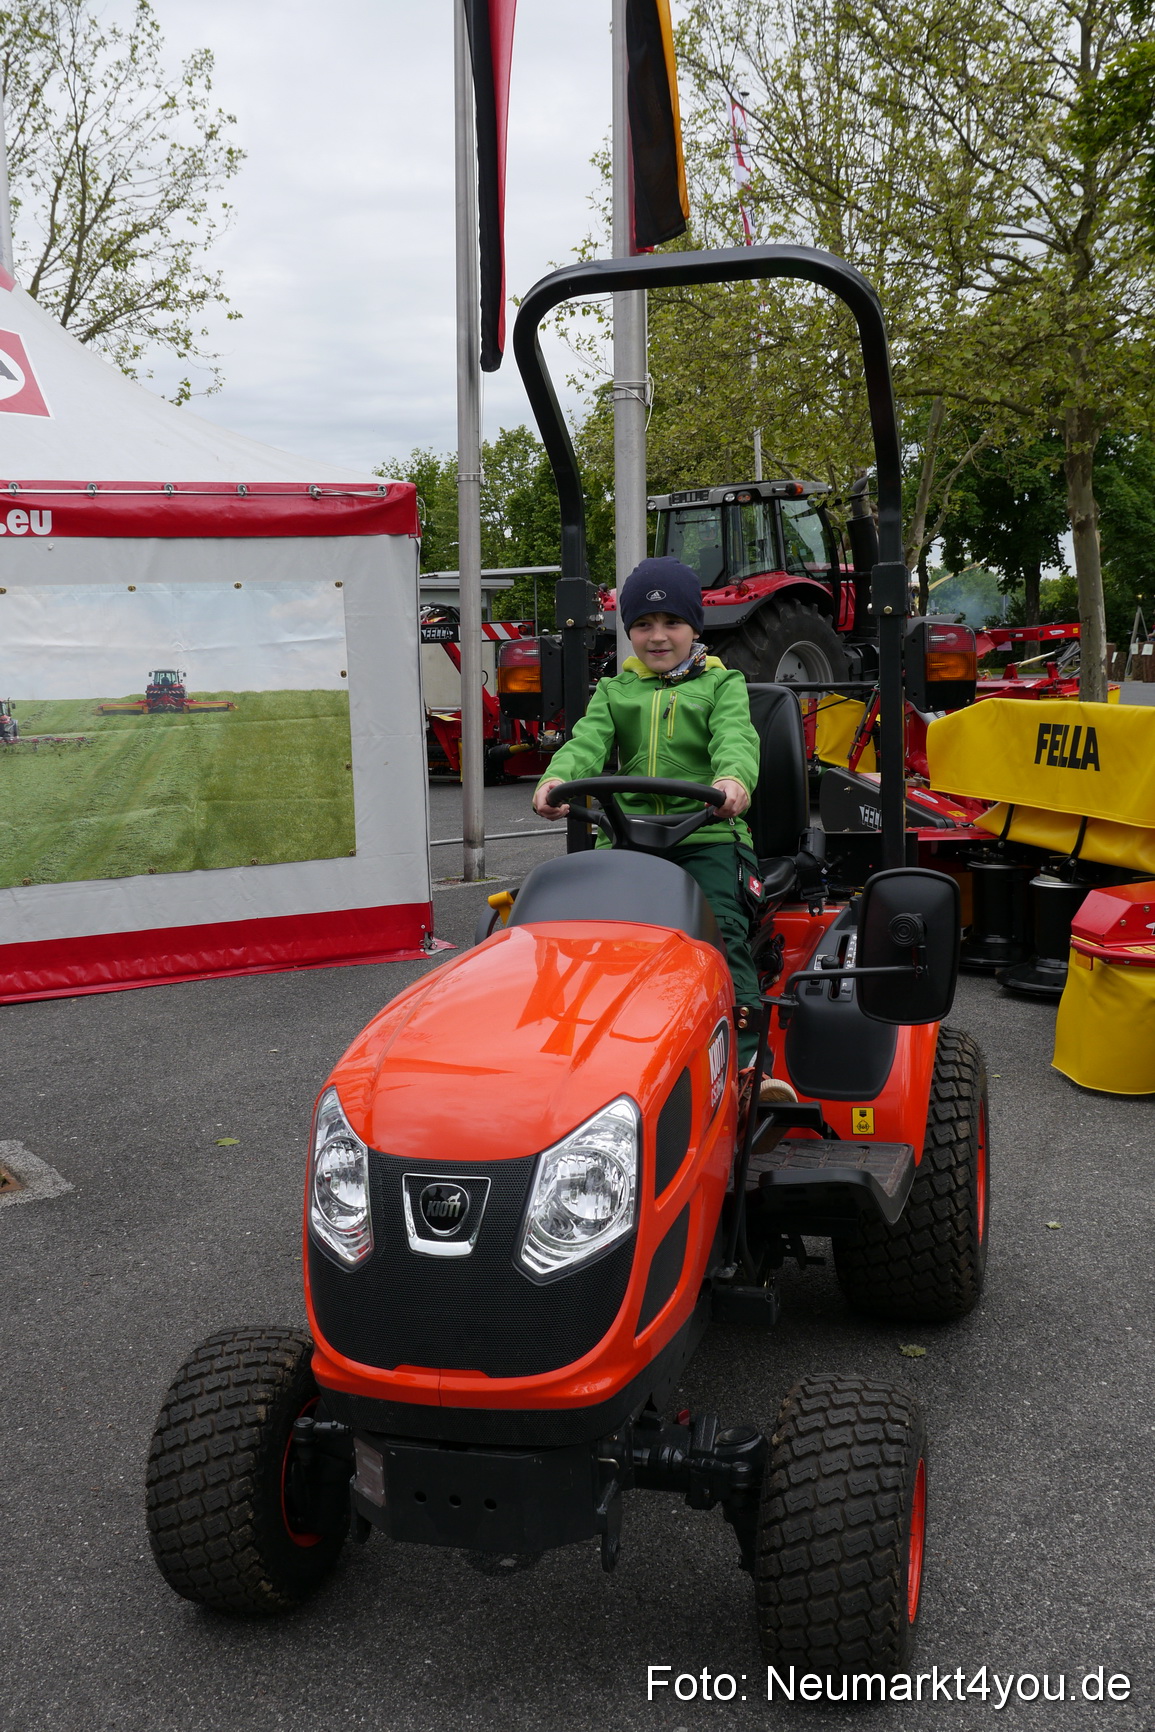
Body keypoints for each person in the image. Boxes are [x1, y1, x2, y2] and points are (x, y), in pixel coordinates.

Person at [534, 555, 796, 1103]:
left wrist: (732, 781)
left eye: (671, 623)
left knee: (719, 930)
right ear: (628, 631)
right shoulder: (614, 693)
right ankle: (578, 1064)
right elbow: (586, 743)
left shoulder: (722, 686)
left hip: (709, 839)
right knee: (577, 936)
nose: (657, 637)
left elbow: (736, 740)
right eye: (643, 625)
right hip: (628, 843)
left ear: (694, 628)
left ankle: (751, 1068)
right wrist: (558, 778)